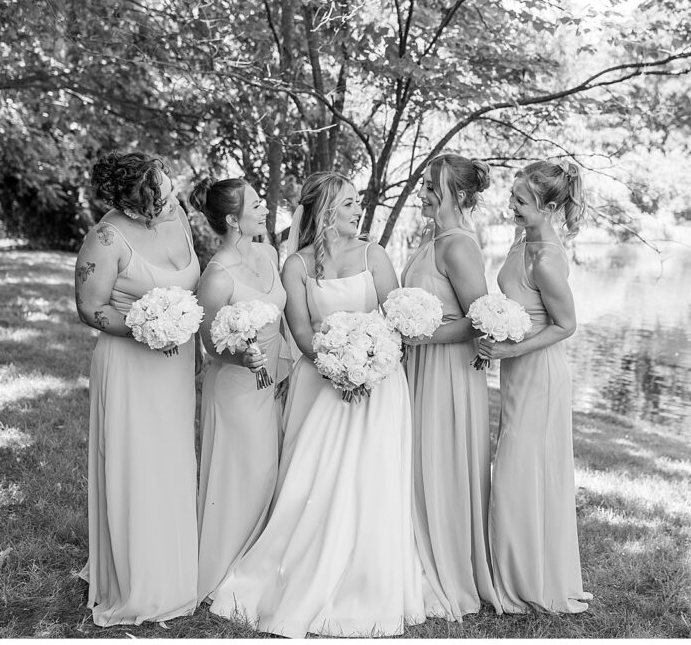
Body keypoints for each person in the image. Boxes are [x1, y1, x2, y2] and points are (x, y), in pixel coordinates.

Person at [209, 172, 427, 637]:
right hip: (323, 382)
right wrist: (339, 369)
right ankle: (298, 574)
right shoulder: (298, 266)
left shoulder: (375, 255)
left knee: (373, 476)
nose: (357, 209)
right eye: (348, 203)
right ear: (326, 211)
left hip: (381, 383)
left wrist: (368, 365)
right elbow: (303, 331)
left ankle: (370, 580)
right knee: (317, 476)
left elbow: (394, 318)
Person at [74, 150, 199, 626]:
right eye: (158, 194)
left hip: (176, 365)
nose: (169, 197)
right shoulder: (106, 238)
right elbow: (90, 308)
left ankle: (176, 566)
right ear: (131, 203)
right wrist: (147, 328)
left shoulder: (179, 216)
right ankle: (136, 578)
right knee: (137, 462)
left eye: (167, 186)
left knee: (172, 461)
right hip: (130, 362)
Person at [477, 159, 593, 614]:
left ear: (546, 207)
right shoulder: (523, 240)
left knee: (522, 473)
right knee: (515, 469)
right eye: (512, 197)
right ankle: (513, 569)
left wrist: (509, 349)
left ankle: (528, 581)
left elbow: (566, 325)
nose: (511, 206)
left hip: (539, 374)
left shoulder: (547, 259)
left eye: (521, 201)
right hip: (517, 371)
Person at [401, 154, 501, 620]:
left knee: (440, 460)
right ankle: (415, 552)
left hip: (446, 372)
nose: (422, 192)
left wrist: (421, 335)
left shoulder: (459, 245)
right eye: (423, 184)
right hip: (418, 365)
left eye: (431, 186)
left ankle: (448, 566)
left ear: (458, 195)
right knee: (418, 460)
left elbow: (478, 321)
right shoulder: (430, 236)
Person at [189, 177, 290, 603]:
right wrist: (241, 358)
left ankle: (258, 565)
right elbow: (210, 343)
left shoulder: (268, 252)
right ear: (233, 219)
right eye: (256, 203)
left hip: (274, 382)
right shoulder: (216, 275)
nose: (265, 207)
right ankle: (222, 571)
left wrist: (286, 367)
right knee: (244, 473)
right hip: (235, 387)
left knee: (270, 471)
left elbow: (281, 320)